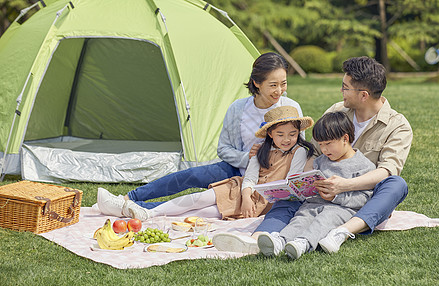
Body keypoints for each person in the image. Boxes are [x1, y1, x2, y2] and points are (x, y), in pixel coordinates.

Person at [213, 56, 413, 254]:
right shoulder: (337, 111)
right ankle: (256, 240)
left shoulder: (398, 126)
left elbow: (386, 171)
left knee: (396, 184)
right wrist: (304, 180)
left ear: (363, 95)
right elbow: (314, 152)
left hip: (360, 194)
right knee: (293, 198)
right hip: (321, 189)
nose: (340, 91)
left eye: (345, 87)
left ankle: (343, 231)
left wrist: (343, 186)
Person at [96, 52, 305, 220]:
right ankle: (129, 197)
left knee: (202, 202)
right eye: (273, 85)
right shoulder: (239, 109)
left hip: (266, 178)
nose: (280, 91)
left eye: (283, 84)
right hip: (237, 166)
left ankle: (132, 208)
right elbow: (223, 149)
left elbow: (299, 147)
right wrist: (248, 158)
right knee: (191, 175)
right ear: (256, 83)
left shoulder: (291, 107)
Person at [119, 106, 314, 223]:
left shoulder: (298, 152)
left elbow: (291, 181)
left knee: (205, 213)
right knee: (199, 199)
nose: (287, 139)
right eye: (280, 134)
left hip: (264, 201)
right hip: (240, 189)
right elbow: (250, 177)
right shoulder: (260, 150)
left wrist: (251, 201)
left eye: (292, 134)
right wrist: (246, 195)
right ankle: (149, 212)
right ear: (270, 133)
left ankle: (151, 213)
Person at [256, 111, 375, 259]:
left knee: (324, 220)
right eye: (320, 145)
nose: (324, 150)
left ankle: (303, 243)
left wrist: (336, 196)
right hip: (312, 204)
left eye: (328, 144)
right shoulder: (320, 161)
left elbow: (364, 199)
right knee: (300, 219)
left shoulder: (364, 166)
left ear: (345, 138)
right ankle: (281, 240)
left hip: (340, 209)